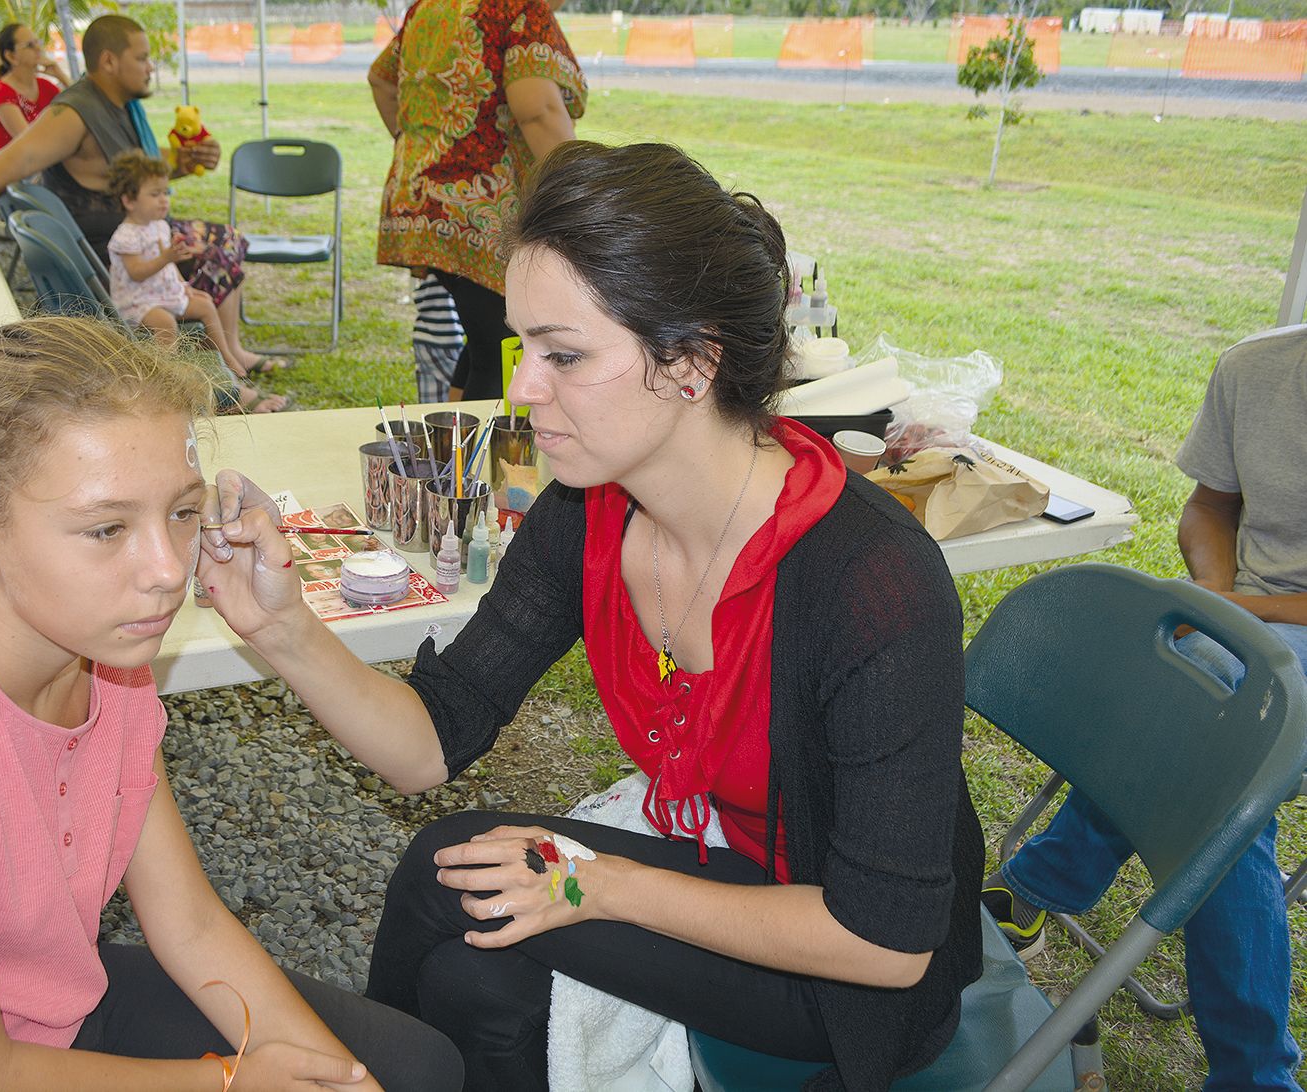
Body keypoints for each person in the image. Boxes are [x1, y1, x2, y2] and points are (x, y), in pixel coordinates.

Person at [194, 141, 985, 1091]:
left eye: (564, 355)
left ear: (691, 363)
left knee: (448, 875)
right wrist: (280, 627)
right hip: (723, 853)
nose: (525, 389)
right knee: (475, 979)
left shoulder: (869, 583)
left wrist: (593, 882)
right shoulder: (588, 510)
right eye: (527, 348)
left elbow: (887, 942)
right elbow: (429, 745)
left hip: (848, 964)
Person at [0, 316, 463, 1092]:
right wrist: (229, 1083)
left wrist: (339, 1079)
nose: (166, 570)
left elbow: (189, 924)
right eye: (106, 529)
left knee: (413, 1071)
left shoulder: (107, 667)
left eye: (184, 512)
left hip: (57, 1021)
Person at [985, 323, 1307, 1092]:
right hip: (1246, 625)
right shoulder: (1258, 367)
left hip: (1259, 625)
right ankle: (1254, 1078)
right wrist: (1228, 604)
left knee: (1212, 762)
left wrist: (1237, 610)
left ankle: (1035, 891)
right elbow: (1209, 506)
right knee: (1189, 722)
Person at [0, 15, 282, 378]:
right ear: (109, 61)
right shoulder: (75, 111)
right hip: (117, 250)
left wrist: (185, 162)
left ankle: (227, 355)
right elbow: (20, 155)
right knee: (220, 247)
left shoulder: (116, 107)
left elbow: (131, 172)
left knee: (225, 241)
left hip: (136, 233)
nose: (149, 67)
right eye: (141, 58)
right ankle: (219, 368)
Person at [368, 0, 586, 401]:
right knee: (501, 347)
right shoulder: (520, 8)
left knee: (485, 333)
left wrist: (418, 142)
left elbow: (381, 79)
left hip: (423, 200)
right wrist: (582, 190)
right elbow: (537, 109)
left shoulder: (431, 6)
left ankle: (454, 447)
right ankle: (475, 462)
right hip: (482, 209)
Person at [107, 149, 287, 412]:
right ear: (129, 200)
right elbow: (137, 272)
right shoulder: (126, 235)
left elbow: (168, 271)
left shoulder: (158, 226)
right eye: (154, 194)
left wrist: (183, 286)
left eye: (166, 193)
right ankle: (165, 377)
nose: (163, 201)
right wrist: (167, 257)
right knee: (164, 323)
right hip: (137, 301)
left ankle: (227, 357)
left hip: (160, 293)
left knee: (204, 303)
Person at [0, 22, 61, 161]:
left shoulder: (46, 87)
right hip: (5, 174)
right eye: (30, 45)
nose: (38, 48)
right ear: (11, 56)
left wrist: (61, 75)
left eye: (37, 43)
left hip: (36, 167)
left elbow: (79, 112)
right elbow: (29, 142)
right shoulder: (2, 94)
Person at [410, 272, 465, 404]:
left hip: (424, 336)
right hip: (443, 338)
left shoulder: (435, 268)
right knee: (462, 386)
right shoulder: (447, 269)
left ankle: (433, 423)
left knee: (431, 395)